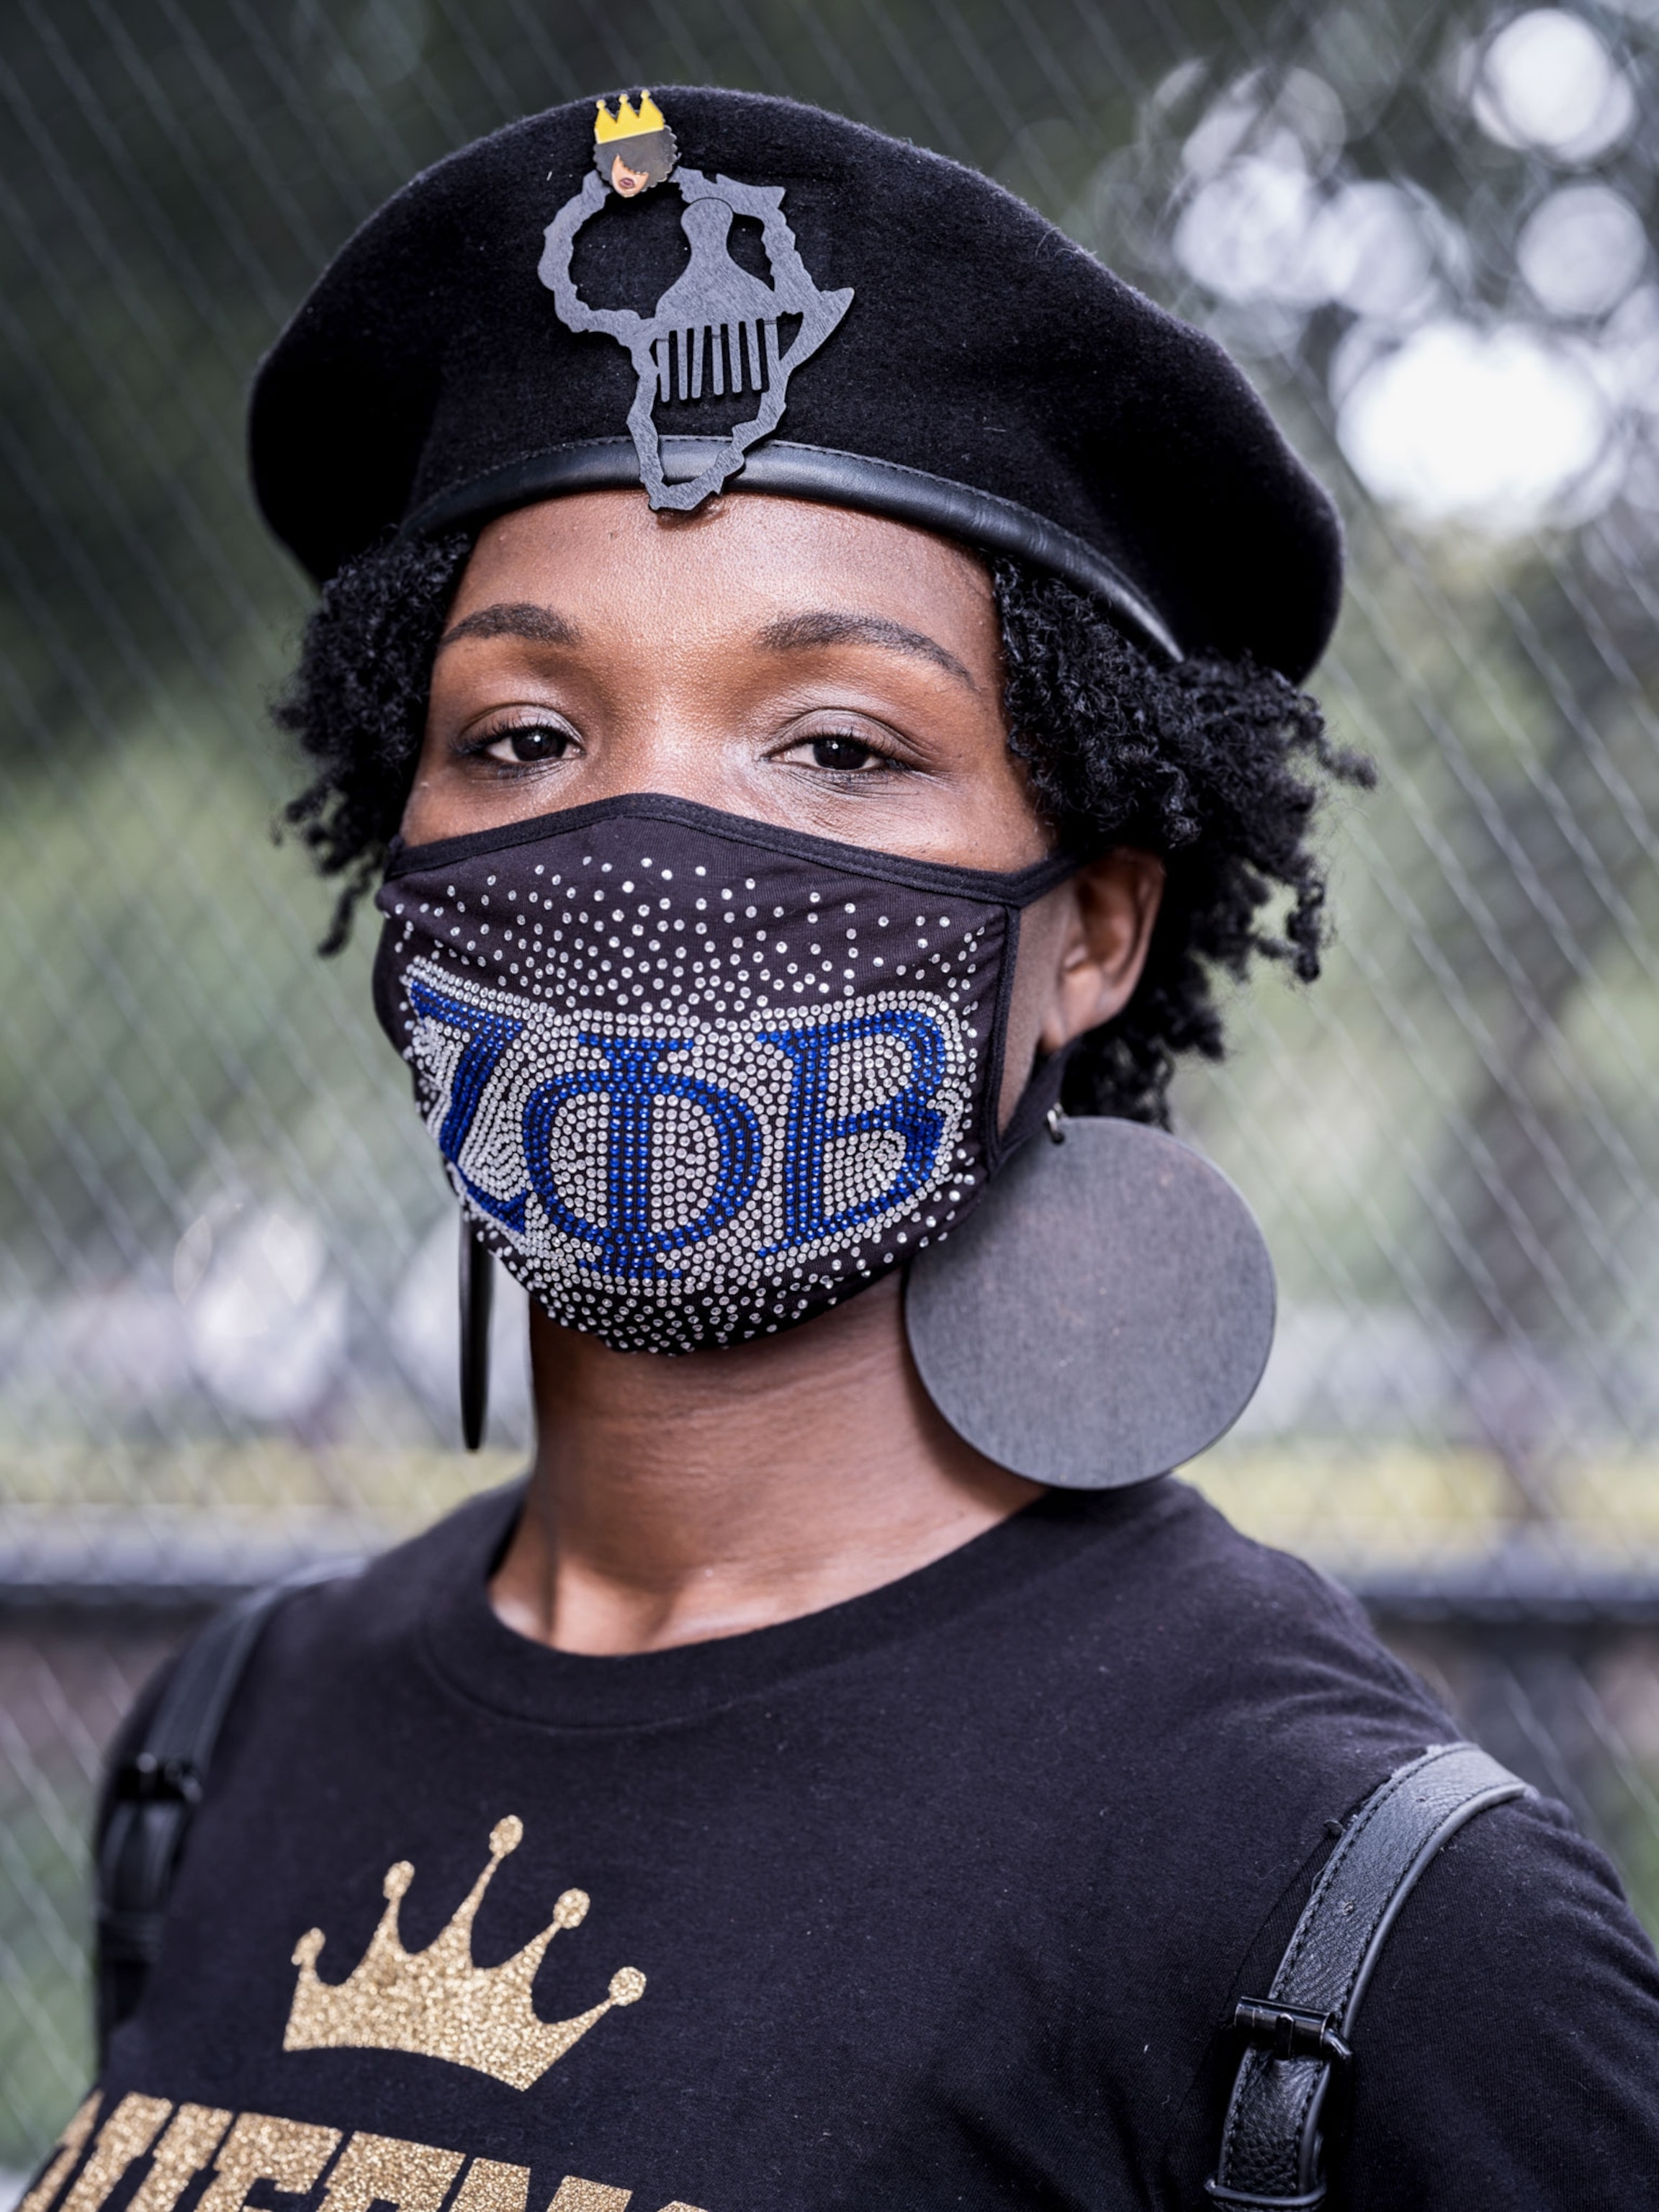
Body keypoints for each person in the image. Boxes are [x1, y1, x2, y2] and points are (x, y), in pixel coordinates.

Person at [30, 85, 1659, 2212]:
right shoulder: (225, 1742)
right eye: (522, 733)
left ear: (1092, 927)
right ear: (397, 830)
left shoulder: (1356, 1912)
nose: (648, 853)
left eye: (838, 745)